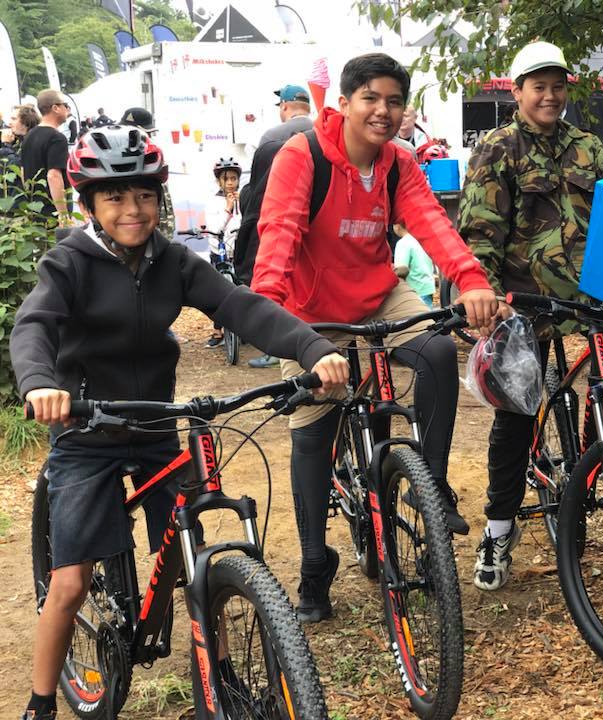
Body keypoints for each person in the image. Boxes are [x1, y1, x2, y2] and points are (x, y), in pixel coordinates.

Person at [10, 124, 349, 720]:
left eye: (144, 195)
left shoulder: (172, 261)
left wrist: (311, 347)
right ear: (89, 204)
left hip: (155, 426)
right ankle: (41, 703)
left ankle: (220, 675)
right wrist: (40, 383)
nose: (133, 209)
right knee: (70, 582)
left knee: (193, 548)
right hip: (87, 431)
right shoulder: (68, 263)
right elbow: (35, 324)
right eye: (115, 197)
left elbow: (240, 305)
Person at [252, 52, 498, 622]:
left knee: (437, 347)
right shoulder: (303, 155)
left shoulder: (396, 162)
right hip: (311, 311)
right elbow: (279, 234)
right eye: (370, 98)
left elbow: (431, 222)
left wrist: (470, 279)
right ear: (344, 103)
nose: (383, 111)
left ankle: (427, 487)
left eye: (394, 101)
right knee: (313, 425)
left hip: (377, 293)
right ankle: (315, 562)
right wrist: (268, 313)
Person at [458, 40, 603, 591]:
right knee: (518, 413)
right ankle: (499, 530)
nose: (549, 96)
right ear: (518, 91)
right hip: (523, 302)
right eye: (538, 87)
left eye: (557, 86)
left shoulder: (587, 146)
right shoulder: (497, 148)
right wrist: (488, 297)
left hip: (590, 296)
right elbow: (479, 234)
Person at [235, 83, 314, 369]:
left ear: (284, 107)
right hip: (316, 228)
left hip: (281, 222)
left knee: (284, 283)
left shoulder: (271, 136)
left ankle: (277, 347)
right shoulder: (323, 133)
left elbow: (257, 190)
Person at [118, 106, 175, 239]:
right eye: (144, 134)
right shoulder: (117, 161)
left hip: (160, 231)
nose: (147, 137)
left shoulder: (151, 153)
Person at [204, 157, 243, 348]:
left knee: (243, 290)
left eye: (233, 178)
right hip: (219, 251)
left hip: (239, 251)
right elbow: (215, 228)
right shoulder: (213, 202)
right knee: (218, 292)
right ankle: (217, 330)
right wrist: (228, 209)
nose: (230, 183)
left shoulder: (243, 198)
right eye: (225, 179)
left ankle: (244, 328)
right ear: (219, 181)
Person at [20, 90, 71, 222]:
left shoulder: (29, 136)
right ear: (55, 108)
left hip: (35, 208)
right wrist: (63, 215)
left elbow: (22, 171)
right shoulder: (57, 138)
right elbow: (53, 176)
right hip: (52, 211)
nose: (67, 109)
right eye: (65, 105)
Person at [392, 223, 436, 306]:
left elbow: (401, 270)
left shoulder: (403, 243)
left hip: (414, 290)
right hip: (428, 286)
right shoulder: (422, 239)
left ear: (397, 226)